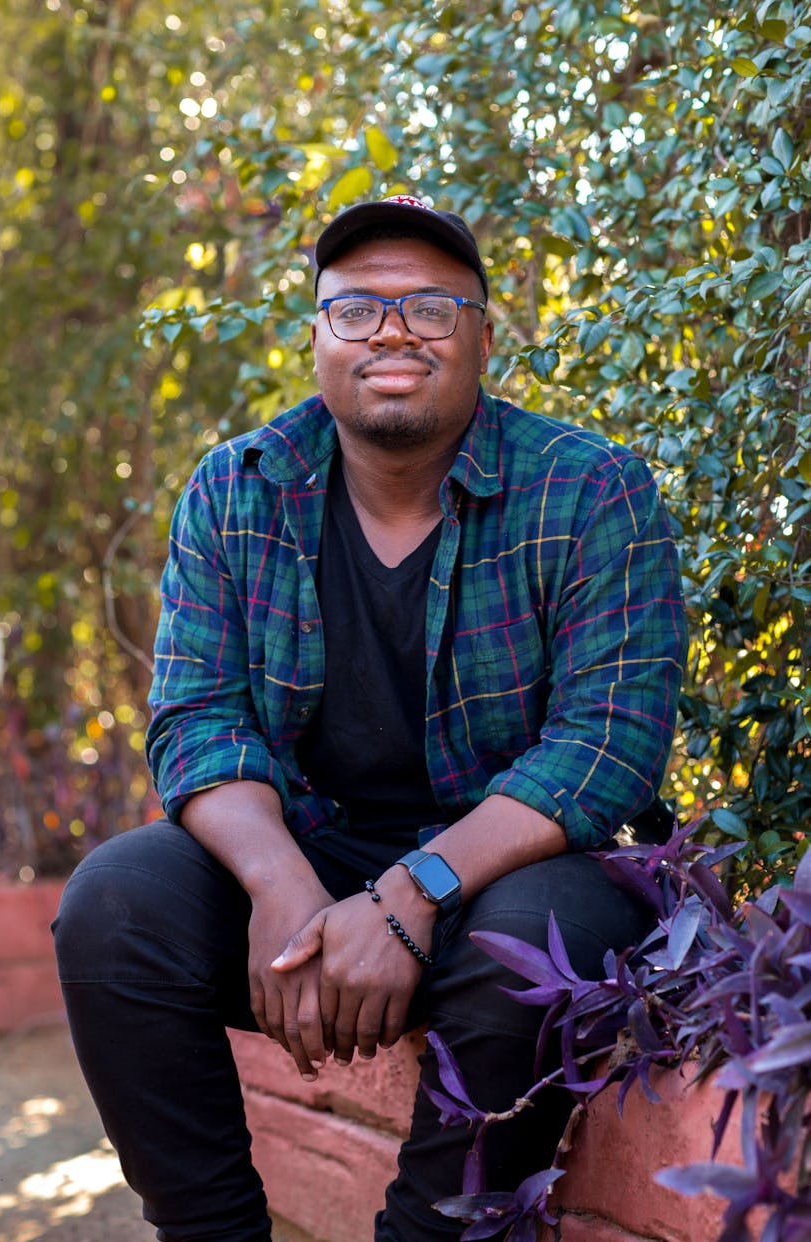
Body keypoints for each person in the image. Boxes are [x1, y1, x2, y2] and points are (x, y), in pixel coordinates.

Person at [53, 194, 687, 1242]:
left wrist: (409, 896)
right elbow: (197, 720)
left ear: (483, 336)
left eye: (433, 308)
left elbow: (603, 749)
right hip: (315, 855)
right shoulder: (237, 490)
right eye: (357, 310)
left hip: (508, 872)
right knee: (116, 905)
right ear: (316, 338)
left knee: (542, 937)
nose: (394, 330)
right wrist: (282, 889)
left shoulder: (590, 490)